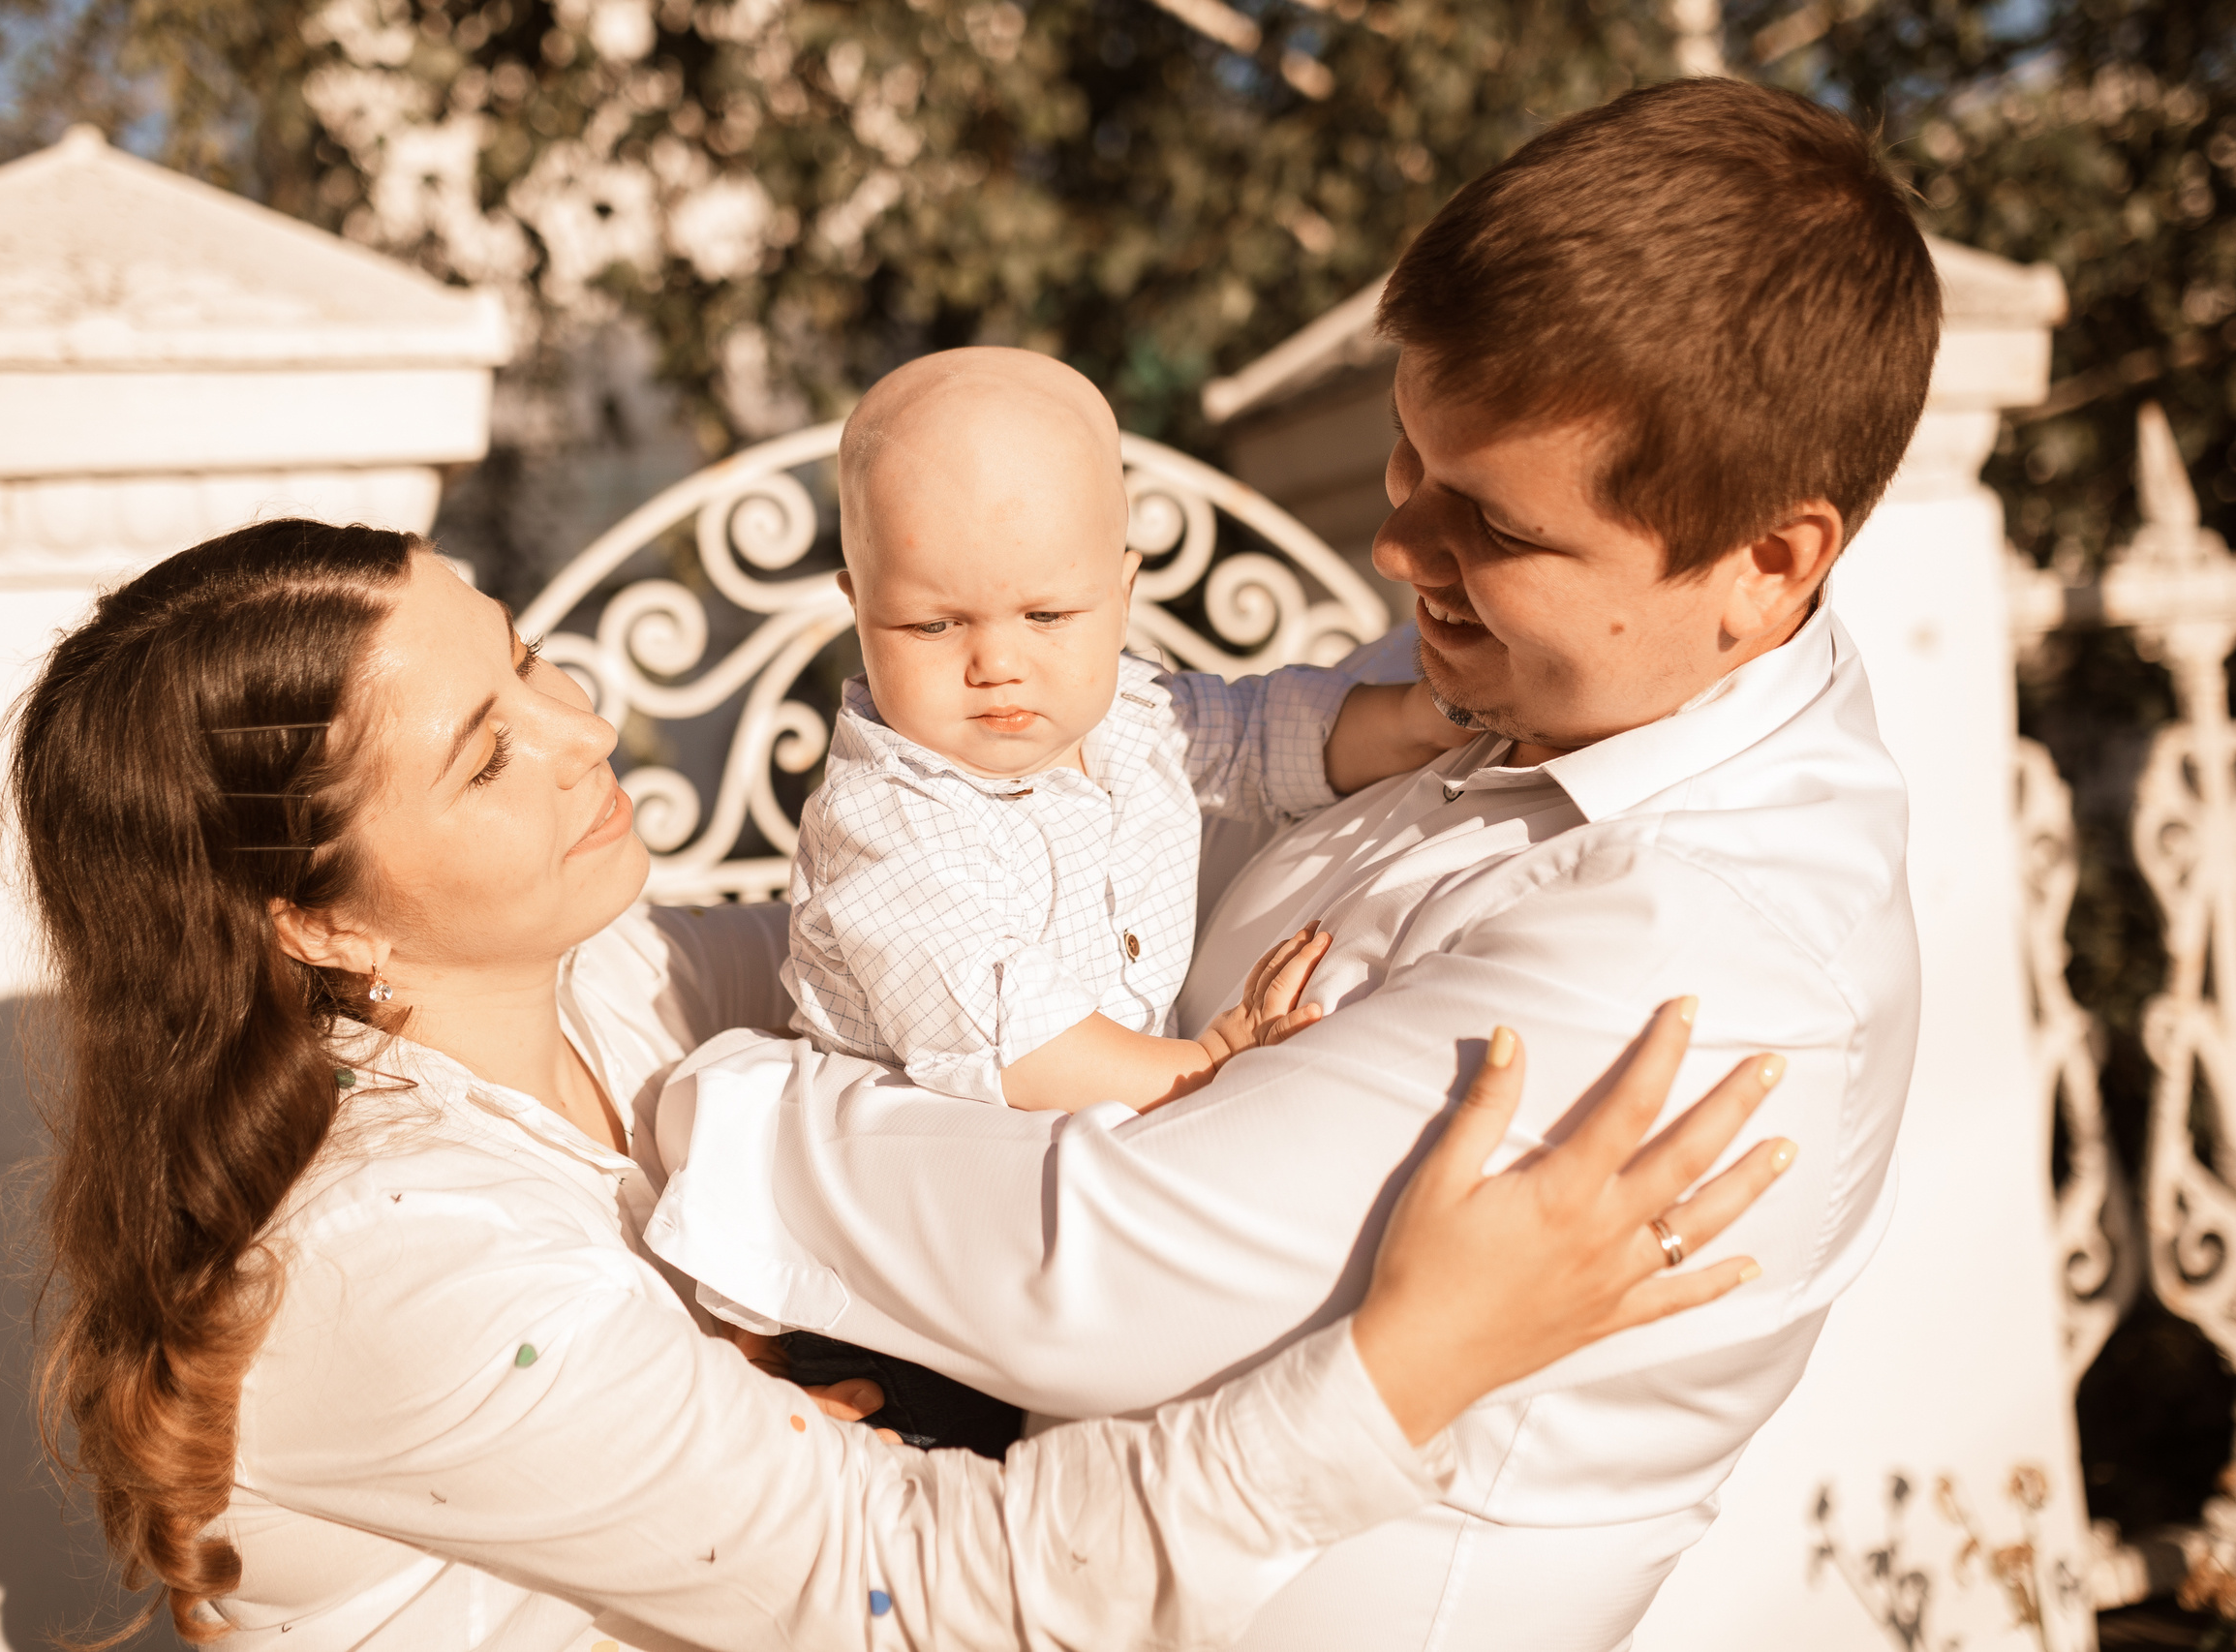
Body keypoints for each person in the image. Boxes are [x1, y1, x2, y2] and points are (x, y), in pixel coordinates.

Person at [644, 75, 1937, 1651]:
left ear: (1770, 562)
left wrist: (692, 1103)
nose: (1402, 552)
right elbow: (1028, 850)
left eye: (1489, 523)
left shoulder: (1705, 961)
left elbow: (1095, 1275)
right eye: (1406, 460)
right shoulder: (1537, 677)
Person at [9, 519, 1793, 1652]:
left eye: (532, 661)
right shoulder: (390, 1262)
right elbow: (928, 1590)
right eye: (488, 754)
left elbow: (948, 1015)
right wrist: (1413, 1362)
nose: (586, 726)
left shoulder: (622, 988)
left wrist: (1178, 1078)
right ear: (313, 920)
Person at [790, 346, 1465, 1116]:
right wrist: (1208, 1062)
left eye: (1047, 615)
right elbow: (1017, 1042)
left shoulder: (1137, 715)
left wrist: (1415, 722)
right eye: (933, 624)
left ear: (1121, 593)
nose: (998, 663)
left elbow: (1265, 736)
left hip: (1104, 1119)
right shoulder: (888, 819)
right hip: (933, 1148)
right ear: (859, 607)